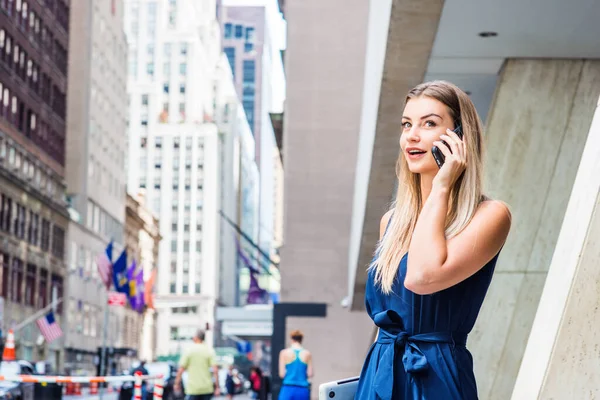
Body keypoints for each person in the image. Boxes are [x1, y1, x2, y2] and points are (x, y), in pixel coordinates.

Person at [355, 80, 512, 400]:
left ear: (459, 138)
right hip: (379, 376)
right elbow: (385, 325)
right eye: (406, 124)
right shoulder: (392, 222)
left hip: (436, 379)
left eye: (429, 124)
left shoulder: (489, 215)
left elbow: (423, 277)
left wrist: (441, 186)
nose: (412, 134)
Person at [174, 330, 220, 400]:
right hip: (207, 388)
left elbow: (181, 369)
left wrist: (177, 383)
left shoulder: (189, 350)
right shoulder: (209, 350)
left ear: (195, 338)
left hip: (193, 388)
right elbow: (215, 370)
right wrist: (217, 387)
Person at [278, 330, 313, 400]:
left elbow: (282, 374)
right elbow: (310, 374)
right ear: (301, 340)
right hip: (302, 389)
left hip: (288, 388)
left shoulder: (284, 353)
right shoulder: (307, 353)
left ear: (292, 339)